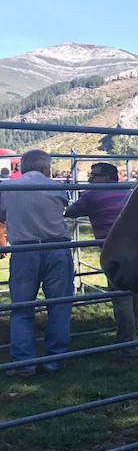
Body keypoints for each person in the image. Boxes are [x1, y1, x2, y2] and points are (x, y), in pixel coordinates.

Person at [0, 150, 74, 377]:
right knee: (59, 305)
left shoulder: (8, 189)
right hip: (56, 248)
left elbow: (2, 214)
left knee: (21, 308)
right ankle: (55, 360)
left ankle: (24, 363)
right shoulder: (55, 186)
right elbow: (65, 206)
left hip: (24, 250)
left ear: (22, 167)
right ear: (46, 168)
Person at [65, 162, 138, 360]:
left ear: (107, 177)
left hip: (114, 250)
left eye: (95, 174)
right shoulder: (128, 191)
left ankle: (127, 347)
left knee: (121, 297)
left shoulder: (91, 195)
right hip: (136, 247)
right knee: (133, 292)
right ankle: (133, 337)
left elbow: (70, 212)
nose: (91, 178)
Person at [0, 168, 8, 259]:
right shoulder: (5, 183)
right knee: (2, 232)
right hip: (2, 212)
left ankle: (2, 252)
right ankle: (2, 252)